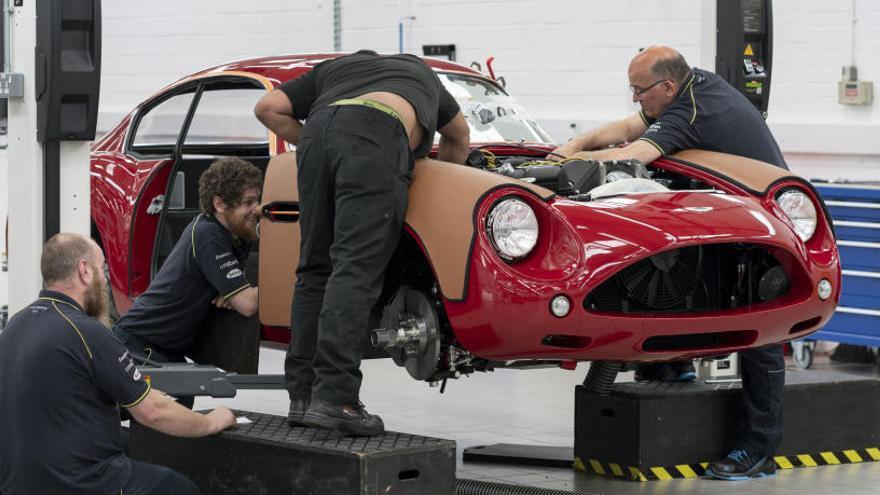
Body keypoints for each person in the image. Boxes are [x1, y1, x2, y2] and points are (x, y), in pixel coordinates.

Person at [552, 45, 786, 481]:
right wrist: (577, 142)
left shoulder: (689, 110)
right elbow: (629, 126)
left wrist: (564, 165)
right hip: (732, 218)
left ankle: (758, 448)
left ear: (667, 86)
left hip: (767, 224)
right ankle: (671, 365)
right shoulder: (694, 88)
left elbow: (632, 155)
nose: (636, 98)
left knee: (760, 332)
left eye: (639, 90)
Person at [255, 49, 470, 436]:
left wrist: (318, 142)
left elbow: (268, 108)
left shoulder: (335, 69)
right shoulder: (420, 71)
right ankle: (337, 397)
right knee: (354, 268)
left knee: (314, 268)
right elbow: (459, 135)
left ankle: (303, 397)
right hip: (376, 132)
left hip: (318, 132)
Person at [0, 233, 236, 494]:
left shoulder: (14, 326)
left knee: (126, 441)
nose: (104, 279)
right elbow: (153, 412)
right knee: (181, 489)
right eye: (102, 269)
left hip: (19, 481)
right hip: (79, 484)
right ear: (85, 271)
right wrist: (212, 421)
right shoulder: (88, 332)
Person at [113, 157, 261, 379]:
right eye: (248, 203)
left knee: (182, 398)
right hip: (137, 344)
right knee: (174, 402)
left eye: (257, 201)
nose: (256, 210)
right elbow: (248, 304)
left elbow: (238, 296)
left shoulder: (236, 233)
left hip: (166, 349)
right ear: (219, 204)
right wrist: (292, 284)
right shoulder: (207, 235)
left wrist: (231, 291)